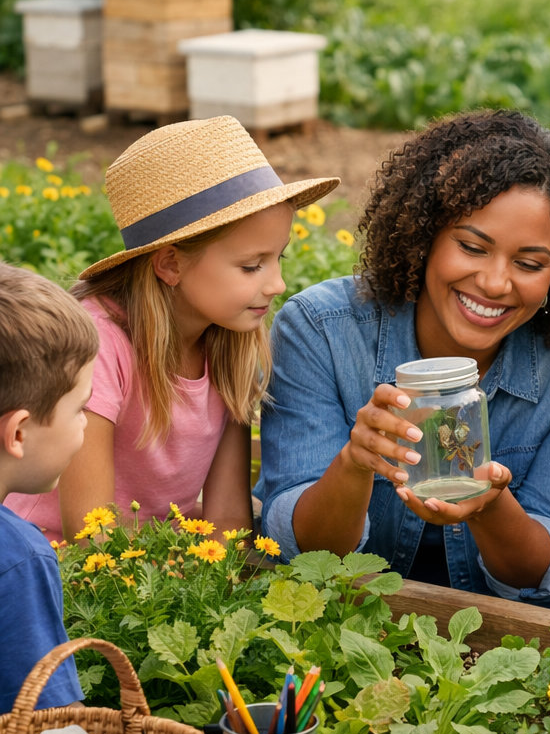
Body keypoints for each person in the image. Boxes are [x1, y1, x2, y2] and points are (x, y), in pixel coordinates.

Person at [256, 109, 550, 606]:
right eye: (472, 247)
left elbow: (548, 576)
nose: (496, 283)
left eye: (529, 263)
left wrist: (490, 506)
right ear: (424, 235)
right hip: (343, 627)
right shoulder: (321, 330)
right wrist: (354, 463)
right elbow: (300, 551)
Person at [6, 115, 339, 541]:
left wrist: (214, 592)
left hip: (158, 573)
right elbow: (90, 534)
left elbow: (228, 520)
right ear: (170, 264)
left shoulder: (229, 343)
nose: (277, 284)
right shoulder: (99, 347)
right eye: (251, 266)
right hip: (60, 571)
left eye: (279, 259)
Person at [0, 263, 98, 712]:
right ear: (19, 433)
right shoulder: (17, 555)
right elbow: (51, 728)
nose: (85, 423)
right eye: (80, 408)